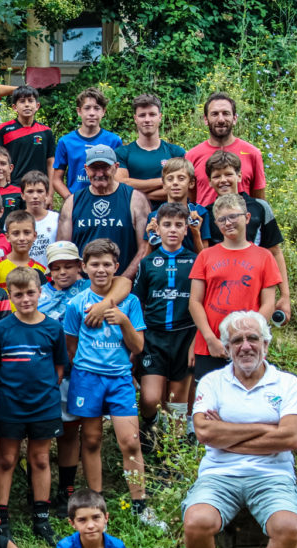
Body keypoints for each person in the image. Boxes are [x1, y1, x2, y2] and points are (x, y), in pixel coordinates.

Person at [183, 311, 297, 548]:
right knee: (197, 521)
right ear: (226, 348)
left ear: (266, 344)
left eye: (252, 338)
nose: (245, 346)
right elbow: (205, 434)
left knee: (289, 527)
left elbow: (292, 437)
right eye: (236, 340)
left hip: (273, 477)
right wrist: (266, 428)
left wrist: (227, 433)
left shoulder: (286, 383)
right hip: (218, 475)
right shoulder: (212, 381)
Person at [63, 239, 164, 529]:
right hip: (86, 378)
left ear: (116, 267)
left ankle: (139, 504)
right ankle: (96, 503)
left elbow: (138, 345)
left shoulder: (129, 303)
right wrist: (85, 366)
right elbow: (71, 346)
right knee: (91, 438)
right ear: (84, 268)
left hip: (119, 378)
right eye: (94, 264)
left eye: (107, 264)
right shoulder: (76, 304)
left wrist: (123, 322)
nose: (101, 269)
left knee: (130, 442)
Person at [0, 266, 66, 543]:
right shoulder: (0, 329)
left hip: (44, 404)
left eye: (30, 292)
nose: (25, 299)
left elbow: (58, 368)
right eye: (18, 294)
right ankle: (2, 518)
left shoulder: (53, 327)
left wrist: (43, 392)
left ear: (40, 292)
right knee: (7, 459)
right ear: (10, 296)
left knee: (40, 458)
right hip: (11, 404)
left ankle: (41, 518)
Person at [188, 193, 281, 381]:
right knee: (210, 406)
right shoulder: (206, 256)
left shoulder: (264, 257)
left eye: (233, 217)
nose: (228, 223)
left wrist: (249, 336)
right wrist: (209, 338)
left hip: (248, 346)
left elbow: (268, 303)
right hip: (211, 346)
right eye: (222, 219)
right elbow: (195, 302)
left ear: (246, 218)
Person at [132, 202, 197, 446]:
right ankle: (149, 424)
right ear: (156, 228)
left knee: (177, 403)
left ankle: (174, 457)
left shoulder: (195, 261)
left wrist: (196, 341)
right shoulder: (148, 262)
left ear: (185, 230)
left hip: (184, 336)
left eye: (178, 225)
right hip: (154, 337)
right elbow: (137, 301)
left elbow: (201, 303)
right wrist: (137, 340)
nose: (172, 230)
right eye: (166, 225)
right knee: (150, 398)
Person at [202, 150, 292, 321]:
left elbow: (275, 251)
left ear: (239, 176)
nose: (223, 180)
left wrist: (285, 296)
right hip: (218, 292)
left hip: (255, 289)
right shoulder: (206, 213)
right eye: (217, 176)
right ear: (209, 181)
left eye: (228, 174)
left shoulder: (259, 207)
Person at [37, 241, 89, 516]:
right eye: (57, 268)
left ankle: (66, 489)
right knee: (45, 432)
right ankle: (40, 495)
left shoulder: (90, 291)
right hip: (43, 374)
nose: (63, 272)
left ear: (80, 266)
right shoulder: (39, 295)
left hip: (77, 370)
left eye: (69, 266)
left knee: (70, 431)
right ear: (49, 271)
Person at [56, 145, 150, 280]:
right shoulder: (72, 202)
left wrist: (123, 281)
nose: (99, 174)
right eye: (94, 168)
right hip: (83, 287)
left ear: (116, 167)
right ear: (86, 169)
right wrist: (83, 284)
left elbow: (145, 248)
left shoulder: (135, 199)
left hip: (125, 285)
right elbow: (63, 250)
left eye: (105, 167)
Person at [185, 92, 267, 206]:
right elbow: (190, 202)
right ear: (205, 119)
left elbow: (260, 202)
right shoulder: (192, 156)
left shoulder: (252, 153)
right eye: (214, 114)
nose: (221, 119)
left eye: (226, 113)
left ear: (234, 118)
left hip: (242, 221)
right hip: (206, 222)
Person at [114, 94, 186, 210]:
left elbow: (180, 188)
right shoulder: (122, 153)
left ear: (160, 117)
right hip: (133, 216)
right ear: (135, 119)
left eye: (152, 114)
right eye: (142, 115)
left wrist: (139, 194)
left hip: (171, 218)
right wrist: (163, 180)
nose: (147, 120)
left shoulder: (176, 152)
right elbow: (122, 185)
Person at [0, 85, 54, 183]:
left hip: (38, 188)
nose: (27, 105)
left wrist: (50, 194)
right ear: (14, 107)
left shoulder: (46, 132)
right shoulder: (5, 129)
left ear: (37, 106)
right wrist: (2, 165)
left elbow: (51, 164)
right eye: (22, 101)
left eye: (30, 101)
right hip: (13, 187)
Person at [52, 87, 122, 199]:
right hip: (78, 201)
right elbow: (56, 179)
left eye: (96, 108)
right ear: (79, 111)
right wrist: (71, 199)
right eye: (87, 108)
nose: (92, 113)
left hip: (106, 200)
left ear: (103, 111)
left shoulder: (114, 141)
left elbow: (119, 176)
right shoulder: (65, 142)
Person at [0, 210, 43, 291]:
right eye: (16, 233)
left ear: (34, 235)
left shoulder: (41, 271)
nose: (22, 238)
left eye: (27, 232)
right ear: (7, 237)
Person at [20, 171, 58, 268]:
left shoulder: (57, 219)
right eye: (30, 191)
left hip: (51, 276)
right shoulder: (15, 221)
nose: (35, 196)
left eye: (40, 191)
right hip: (23, 275)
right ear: (23, 195)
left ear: (46, 194)